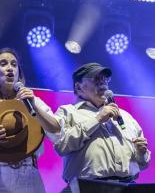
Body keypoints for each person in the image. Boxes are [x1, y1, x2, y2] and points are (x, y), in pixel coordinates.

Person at [0, 47, 62, 193]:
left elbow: (56, 128)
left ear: (18, 74)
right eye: (3, 64)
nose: (10, 68)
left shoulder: (33, 101)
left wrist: (34, 106)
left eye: (14, 65)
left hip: (29, 176)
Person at [54, 63, 151, 193]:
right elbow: (62, 145)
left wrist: (141, 153)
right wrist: (98, 119)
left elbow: (143, 163)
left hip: (127, 187)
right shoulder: (67, 112)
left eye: (105, 79)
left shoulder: (126, 117)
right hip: (87, 188)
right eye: (96, 78)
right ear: (78, 87)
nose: (103, 82)